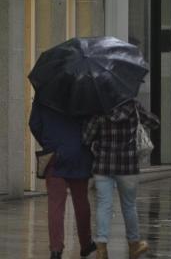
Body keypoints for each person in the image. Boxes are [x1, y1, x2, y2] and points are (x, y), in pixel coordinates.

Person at [83, 99, 159, 259]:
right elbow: (154, 122)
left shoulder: (99, 108)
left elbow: (86, 137)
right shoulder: (132, 105)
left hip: (103, 164)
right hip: (128, 165)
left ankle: (102, 248)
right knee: (129, 206)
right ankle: (134, 245)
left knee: (104, 205)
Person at [29, 100, 96, 259]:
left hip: (54, 155)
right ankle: (86, 244)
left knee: (55, 204)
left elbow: (34, 123)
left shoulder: (44, 93)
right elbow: (92, 127)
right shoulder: (84, 92)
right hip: (79, 154)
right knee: (81, 202)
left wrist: (47, 141)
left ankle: (56, 249)